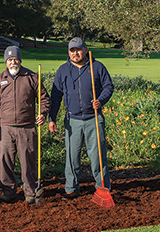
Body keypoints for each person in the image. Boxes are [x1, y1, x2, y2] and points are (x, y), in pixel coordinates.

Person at [48, 38, 114, 198]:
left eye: (78, 49)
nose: (75, 53)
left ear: (85, 50)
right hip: (72, 120)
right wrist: (52, 118)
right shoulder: (63, 70)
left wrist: (101, 100)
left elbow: (108, 86)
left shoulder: (97, 67)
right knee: (72, 157)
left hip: (94, 118)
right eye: (72, 50)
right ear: (68, 52)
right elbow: (55, 96)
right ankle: (71, 188)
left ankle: (103, 187)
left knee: (98, 155)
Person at [0, 45, 49, 204]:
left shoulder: (32, 77)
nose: (12, 62)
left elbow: (44, 99)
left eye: (15, 59)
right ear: (5, 62)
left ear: (20, 60)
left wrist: (43, 113)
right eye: (9, 60)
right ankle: (8, 192)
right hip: (5, 129)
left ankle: (30, 192)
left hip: (27, 128)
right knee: (5, 162)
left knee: (28, 162)